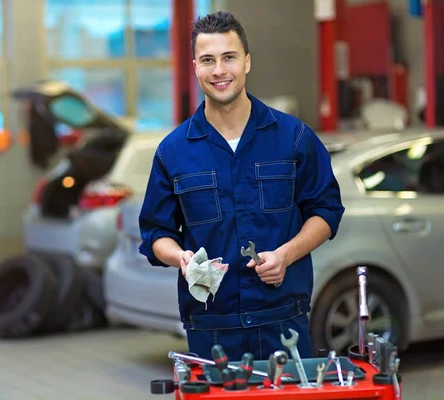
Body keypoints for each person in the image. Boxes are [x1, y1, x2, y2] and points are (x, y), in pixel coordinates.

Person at [138, 11, 345, 362]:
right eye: (208, 60)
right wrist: (181, 258)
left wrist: (285, 255)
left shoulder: (293, 138)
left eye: (229, 57)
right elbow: (155, 233)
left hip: (283, 320)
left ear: (246, 62)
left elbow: (326, 212)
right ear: (195, 67)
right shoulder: (173, 151)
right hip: (210, 325)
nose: (219, 70)